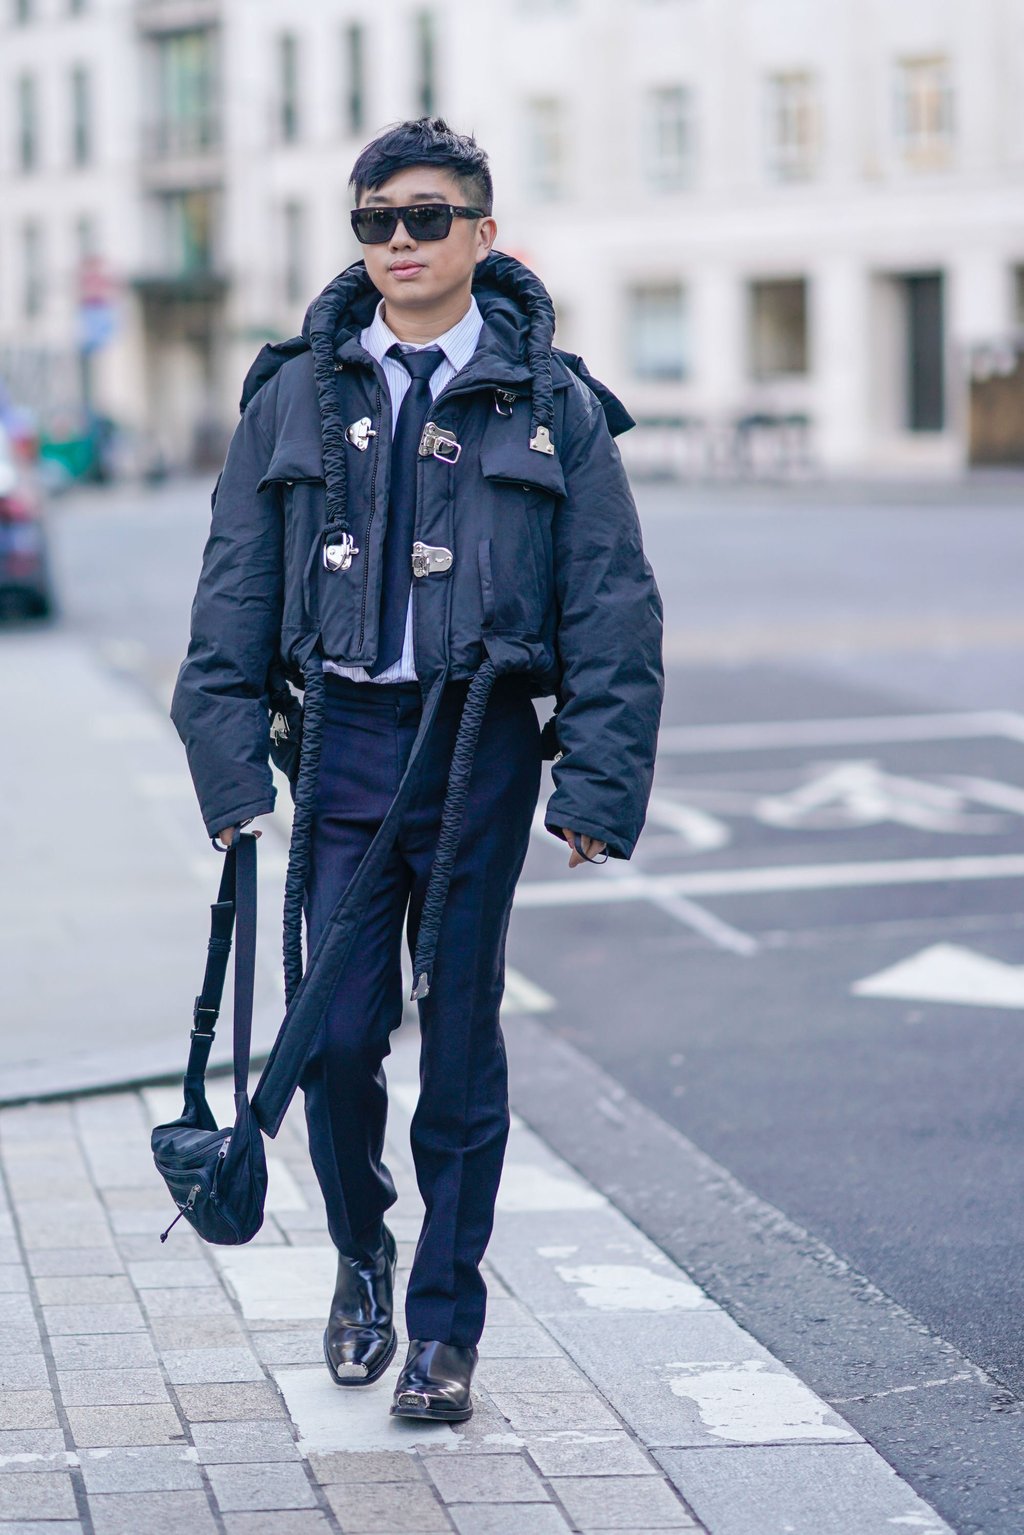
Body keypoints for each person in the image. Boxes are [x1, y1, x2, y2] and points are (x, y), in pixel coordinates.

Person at [171, 117, 663, 1424]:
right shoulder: (296, 391)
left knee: (456, 1048)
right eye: (375, 220)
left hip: (478, 748)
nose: (399, 241)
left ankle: (446, 1331)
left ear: (482, 234)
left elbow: (616, 604)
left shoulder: (551, 403)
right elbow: (232, 593)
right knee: (334, 1043)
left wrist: (598, 792)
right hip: (338, 745)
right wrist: (230, 778)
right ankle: (362, 1254)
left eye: (426, 217)